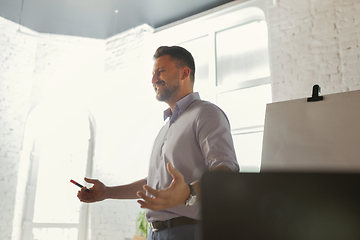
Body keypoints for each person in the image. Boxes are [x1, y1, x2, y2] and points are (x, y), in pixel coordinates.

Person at [77, 46, 239, 240]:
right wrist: (107, 192)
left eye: (160, 71)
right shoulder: (166, 127)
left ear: (184, 73)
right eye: (153, 73)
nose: (153, 79)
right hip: (156, 233)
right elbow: (152, 185)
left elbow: (226, 170)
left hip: (189, 232)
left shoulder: (206, 113)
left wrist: (189, 192)